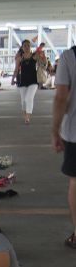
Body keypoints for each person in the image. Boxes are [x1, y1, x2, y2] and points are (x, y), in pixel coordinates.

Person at [52, 44, 76, 249]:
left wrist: (55, 131)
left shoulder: (69, 57)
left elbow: (61, 98)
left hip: (74, 132)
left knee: (75, 181)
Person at [13, 40, 40, 124]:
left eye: (28, 45)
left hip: (33, 81)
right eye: (25, 45)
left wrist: (43, 58)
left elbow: (43, 64)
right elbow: (16, 69)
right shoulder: (19, 57)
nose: (27, 47)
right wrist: (12, 79)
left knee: (29, 98)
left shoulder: (34, 56)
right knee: (23, 100)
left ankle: (27, 117)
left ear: (30, 46)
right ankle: (25, 116)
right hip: (23, 81)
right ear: (22, 47)